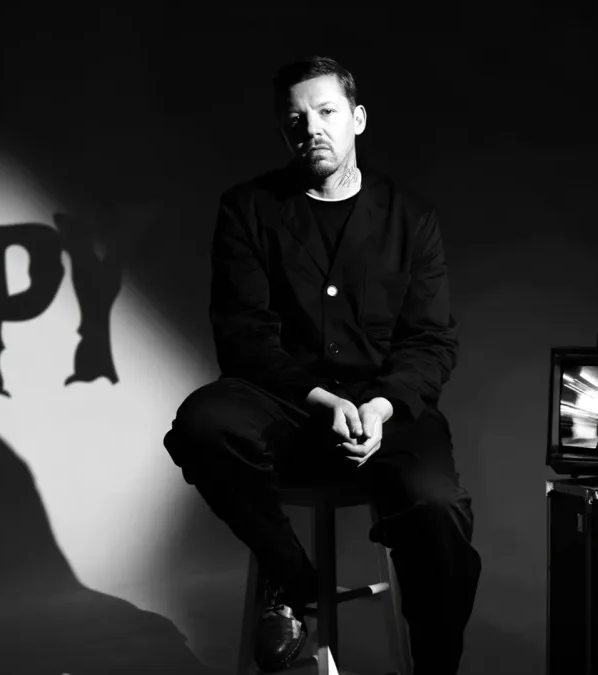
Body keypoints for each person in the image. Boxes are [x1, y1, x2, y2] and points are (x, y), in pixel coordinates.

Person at [162, 55, 481, 675]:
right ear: (284, 131)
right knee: (202, 425)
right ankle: (294, 580)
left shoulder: (410, 219)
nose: (312, 129)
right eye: (296, 119)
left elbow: (430, 341)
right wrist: (322, 400)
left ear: (357, 119)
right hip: (288, 406)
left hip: (387, 412)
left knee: (440, 511)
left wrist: (379, 407)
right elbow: (244, 337)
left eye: (327, 111)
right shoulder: (248, 209)